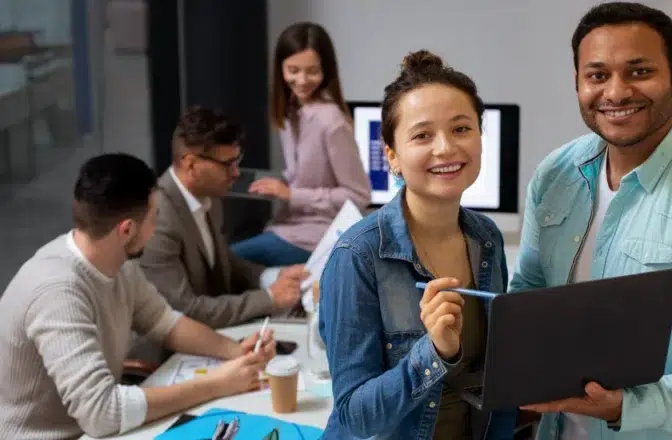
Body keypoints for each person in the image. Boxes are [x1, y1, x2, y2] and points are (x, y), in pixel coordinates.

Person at [512, 3, 672, 439]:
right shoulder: (555, 175)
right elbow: (529, 294)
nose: (616, 92)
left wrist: (625, 408)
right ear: (577, 83)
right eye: (597, 75)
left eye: (639, 71)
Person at [0, 153, 277, 440]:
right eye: (154, 217)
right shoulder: (57, 291)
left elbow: (165, 323)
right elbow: (101, 412)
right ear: (127, 230)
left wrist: (237, 351)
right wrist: (218, 384)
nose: (157, 228)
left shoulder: (118, 263)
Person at [319, 50, 517, 440]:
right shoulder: (356, 256)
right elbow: (356, 417)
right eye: (422, 135)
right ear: (392, 157)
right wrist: (435, 353)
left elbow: (492, 381)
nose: (445, 148)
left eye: (461, 129)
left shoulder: (487, 238)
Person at [139, 106, 308, 330]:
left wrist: (272, 276)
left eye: (237, 160)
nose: (236, 173)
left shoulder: (209, 196)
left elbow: (222, 260)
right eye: (227, 164)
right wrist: (268, 298)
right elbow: (184, 311)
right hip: (170, 352)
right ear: (191, 164)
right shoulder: (158, 219)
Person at [230, 22, 372, 267]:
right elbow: (306, 175)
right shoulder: (290, 110)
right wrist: (280, 183)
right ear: (280, 69)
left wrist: (291, 194)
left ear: (326, 70)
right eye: (293, 70)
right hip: (288, 225)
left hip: (315, 236)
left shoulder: (332, 121)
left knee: (224, 263)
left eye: (312, 71)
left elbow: (358, 195)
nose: (302, 80)